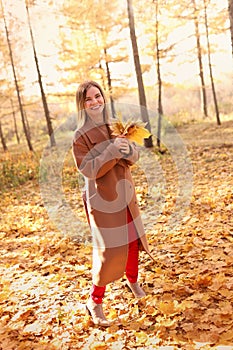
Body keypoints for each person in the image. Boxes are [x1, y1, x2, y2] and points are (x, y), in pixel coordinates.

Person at [72, 80, 152, 327]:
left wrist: (128, 149)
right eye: (89, 99)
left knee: (131, 240)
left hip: (125, 193)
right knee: (110, 251)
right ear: (82, 105)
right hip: (101, 198)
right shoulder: (80, 136)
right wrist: (110, 151)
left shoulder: (114, 126)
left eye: (98, 96)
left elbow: (133, 158)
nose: (95, 102)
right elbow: (87, 169)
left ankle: (132, 280)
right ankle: (94, 301)